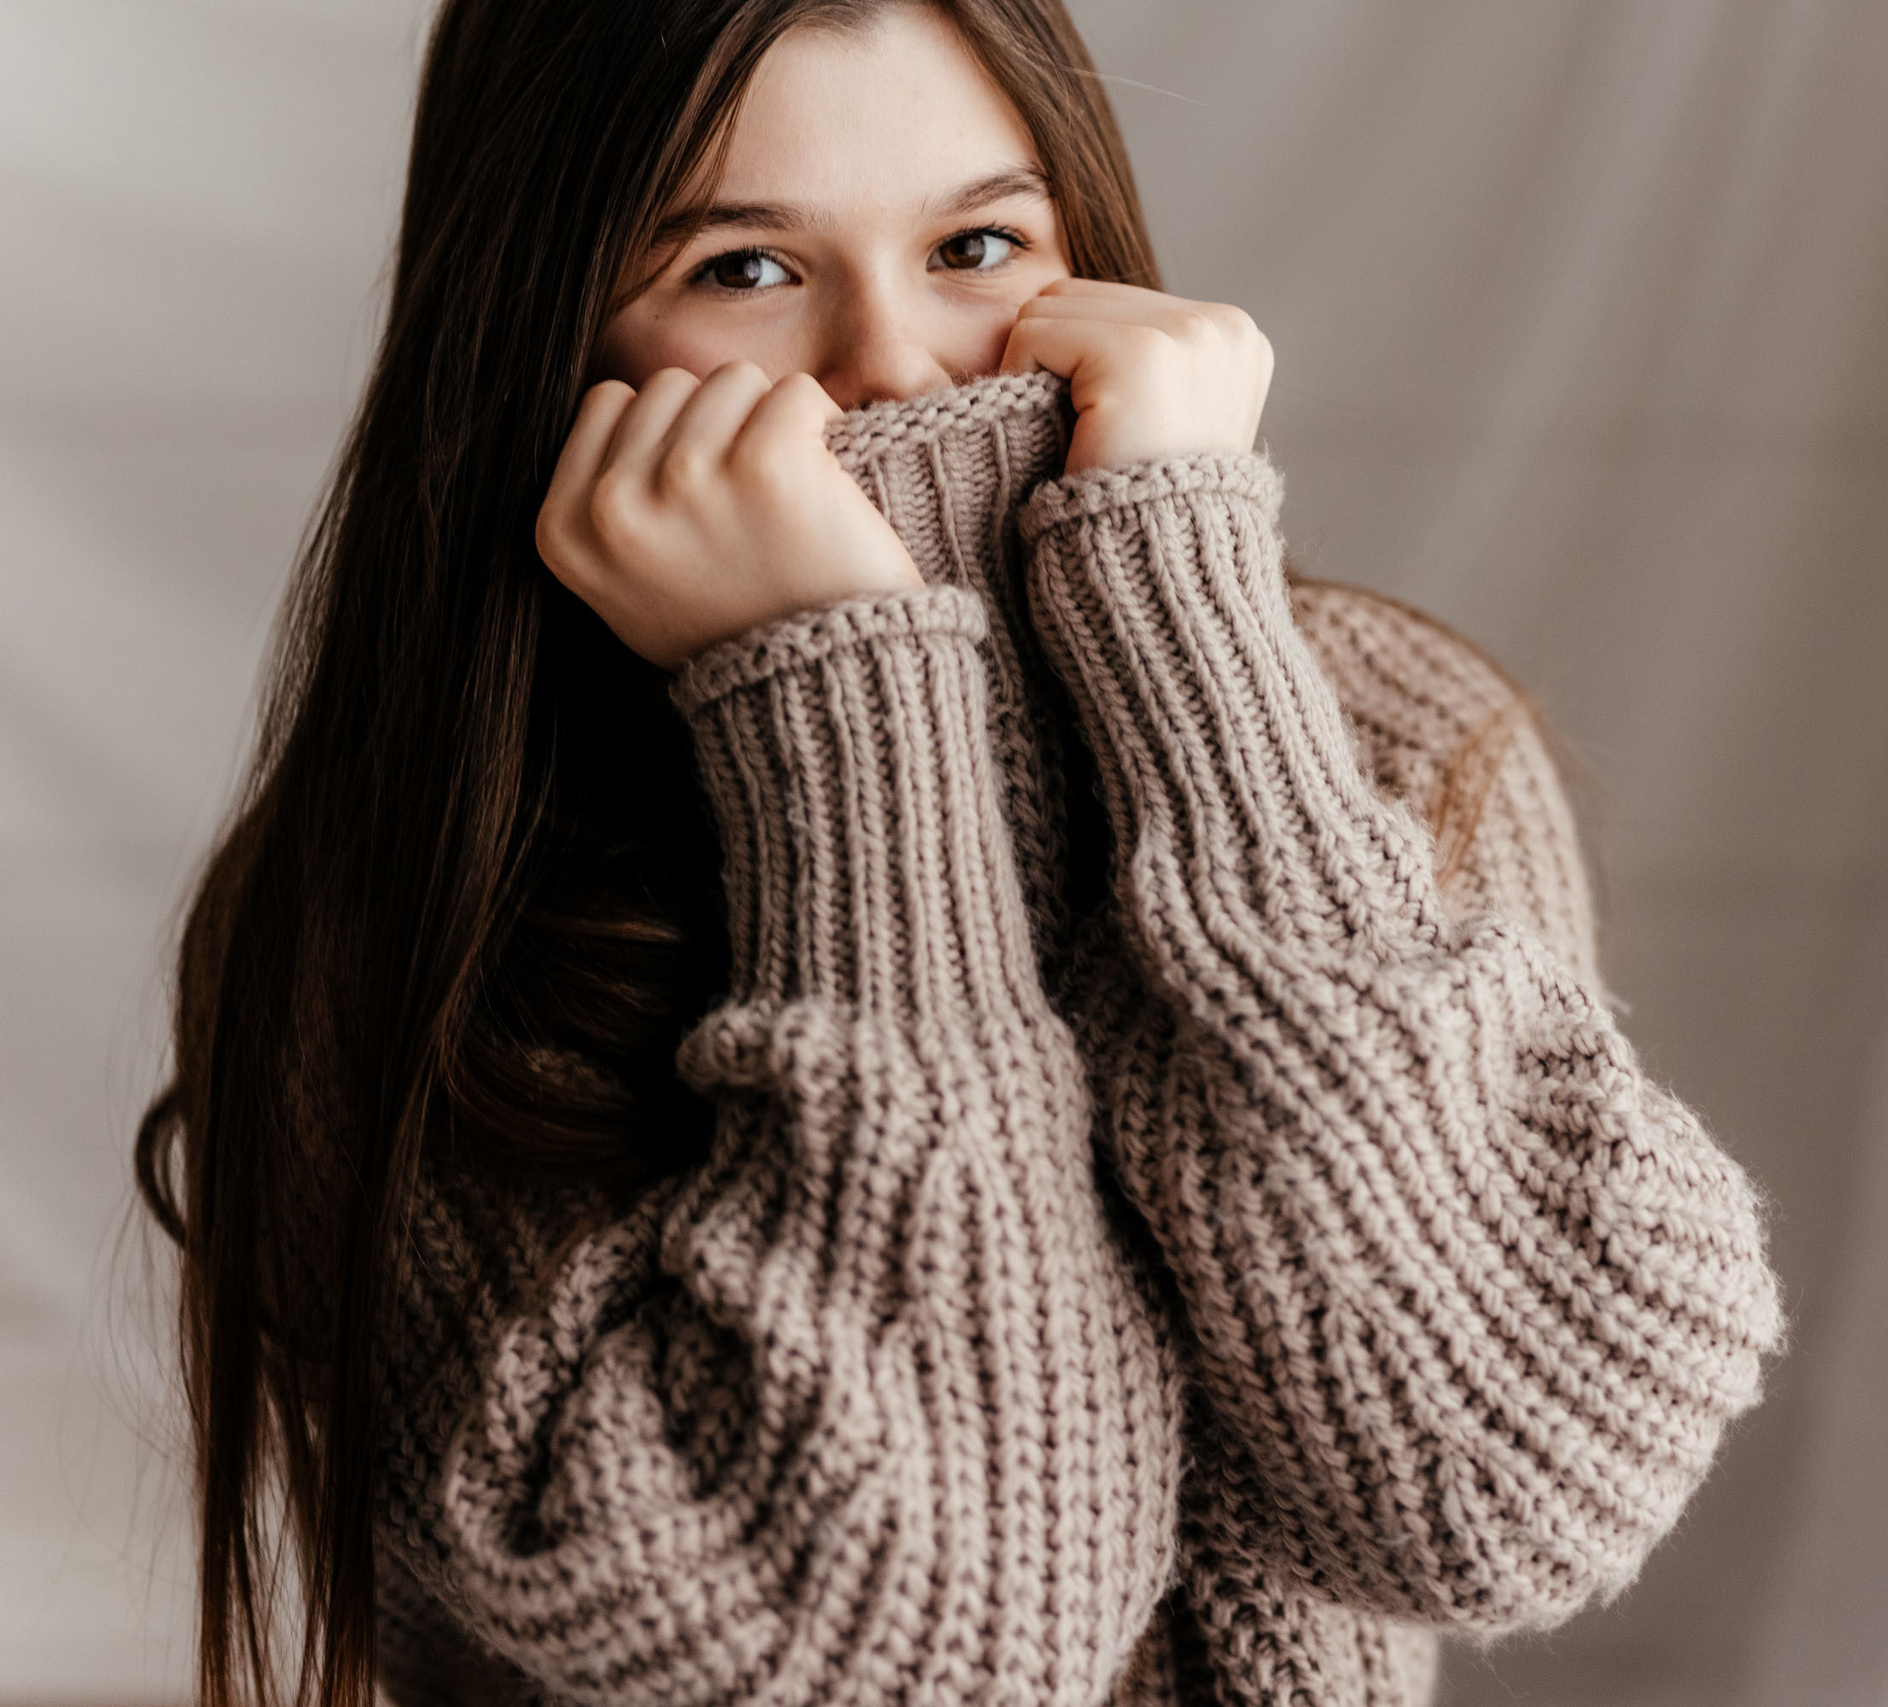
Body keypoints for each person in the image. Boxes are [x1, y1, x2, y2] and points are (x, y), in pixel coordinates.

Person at [135, 1, 1785, 1702]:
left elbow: (1505, 1499)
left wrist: (1194, 647)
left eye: (977, 244)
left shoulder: (1381, 735)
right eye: (745, 273)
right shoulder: (409, 900)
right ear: (551, 330)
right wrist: (848, 725)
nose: (901, 365)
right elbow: (930, 1658)